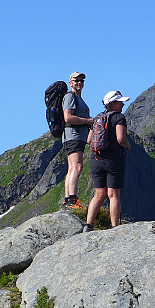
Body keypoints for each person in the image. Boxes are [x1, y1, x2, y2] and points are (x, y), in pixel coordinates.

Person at [83, 90, 131, 232]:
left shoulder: (98, 118)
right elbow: (120, 139)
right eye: (120, 102)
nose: (122, 104)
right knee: (113, 194)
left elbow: (89, 140)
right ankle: (114, 227)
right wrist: (128, 145)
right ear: (113, 104)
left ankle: (88, 225)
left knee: (99, 194)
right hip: (113, 160)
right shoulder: (119, 117)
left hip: (96, 159)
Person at [61, 71, 94, 208]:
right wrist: (88, 121)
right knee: (77, 166)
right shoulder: (70, 97)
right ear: (70, 83)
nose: (79, 82)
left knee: (71, 167)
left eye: (82, 80)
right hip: (74, 135)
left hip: (73, 136)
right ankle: (72, 199)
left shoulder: (77, 98)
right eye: (76, 80)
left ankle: (68, 198)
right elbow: (68, 117)